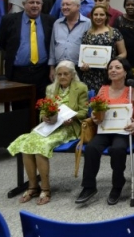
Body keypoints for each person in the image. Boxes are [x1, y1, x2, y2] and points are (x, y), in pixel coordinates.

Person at [8, 61, 88, 205]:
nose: (62, 77)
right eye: (59, 74)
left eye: (66, 74)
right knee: (26, 142)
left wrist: (72, 116)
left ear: (72, 75)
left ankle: (45, 189)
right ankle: (33, 187)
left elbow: (83, 112)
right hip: (50, 125)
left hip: (68, 127)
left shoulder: (81, 88)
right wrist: (43, 117)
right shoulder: (51, 89)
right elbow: (44, 110)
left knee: (41, 146)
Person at [76, 58, 134, 206]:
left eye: (118, 68)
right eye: (110, 68)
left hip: (125, 131)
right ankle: (89, 187)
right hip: (105, 129)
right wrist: (95, 117)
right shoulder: (103, 90)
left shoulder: (133, 90)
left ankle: (117, 185)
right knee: (91, 148)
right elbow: (95, 112)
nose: (113, 70)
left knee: (118, 149)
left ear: (125, 72)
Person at [0, 0, 56, 104]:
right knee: (20, 109)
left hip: (42, 73)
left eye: (38, 3)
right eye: (31, 2)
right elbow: (2, 42)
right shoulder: (9, 20)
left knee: (42, 108)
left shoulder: (50, 21)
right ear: (24, 4)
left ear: (42, 5)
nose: (35, 5)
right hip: (18, 74)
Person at [79, 5, 127, 92]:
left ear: (106, 16)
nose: (98, 17)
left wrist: (112, 62)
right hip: (89, 76)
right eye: (95, 14)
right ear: (92, 16)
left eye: (101, 15)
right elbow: (82, 56)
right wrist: (83, 66)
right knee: (91, 101)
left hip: (108, 74)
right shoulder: (86, 34)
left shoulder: (114, 32)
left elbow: (123, 53)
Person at [48, 0, 91, 81]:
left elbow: (91, 46)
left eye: (68, 4)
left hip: (79, 70)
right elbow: (52, 47)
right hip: (59, 69)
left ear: (78, 6)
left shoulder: (88, 23)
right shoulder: (57, 23)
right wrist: (52, 68)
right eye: (63, 5)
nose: (64, 7)